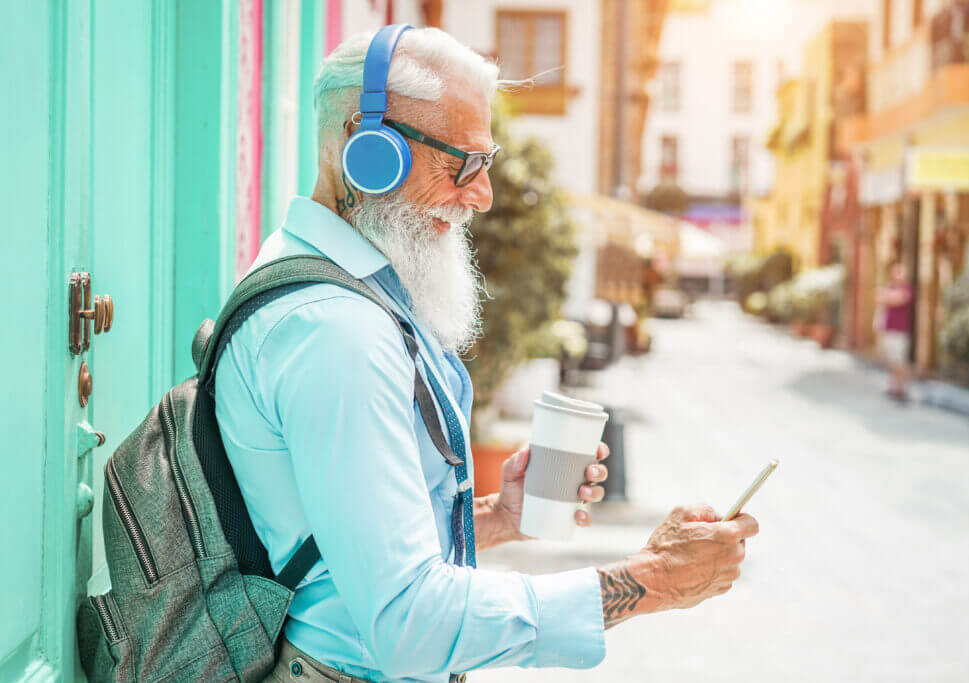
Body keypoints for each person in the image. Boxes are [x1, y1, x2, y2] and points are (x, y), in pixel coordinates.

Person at [215, 26, 757, 683]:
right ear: (369, 152)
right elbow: (408, 622)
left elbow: (340, 541)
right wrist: (650, 580)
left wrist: (498, 517)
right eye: (463, 163)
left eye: (488, 161)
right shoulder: (339, 334)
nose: (483, 194)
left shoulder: (318, 280)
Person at [876, 261, 914, 401]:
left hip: (900, 331)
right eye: (896, 271)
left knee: (900, 361)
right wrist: (888, 296)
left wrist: (887, 296)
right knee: (891, 361)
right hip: (888, 329)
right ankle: (893, 386)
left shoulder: (906, 289)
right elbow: (878, 298)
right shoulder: (890, 287)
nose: (898, 275)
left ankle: (902, 388)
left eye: (900, 271)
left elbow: (899, 299)